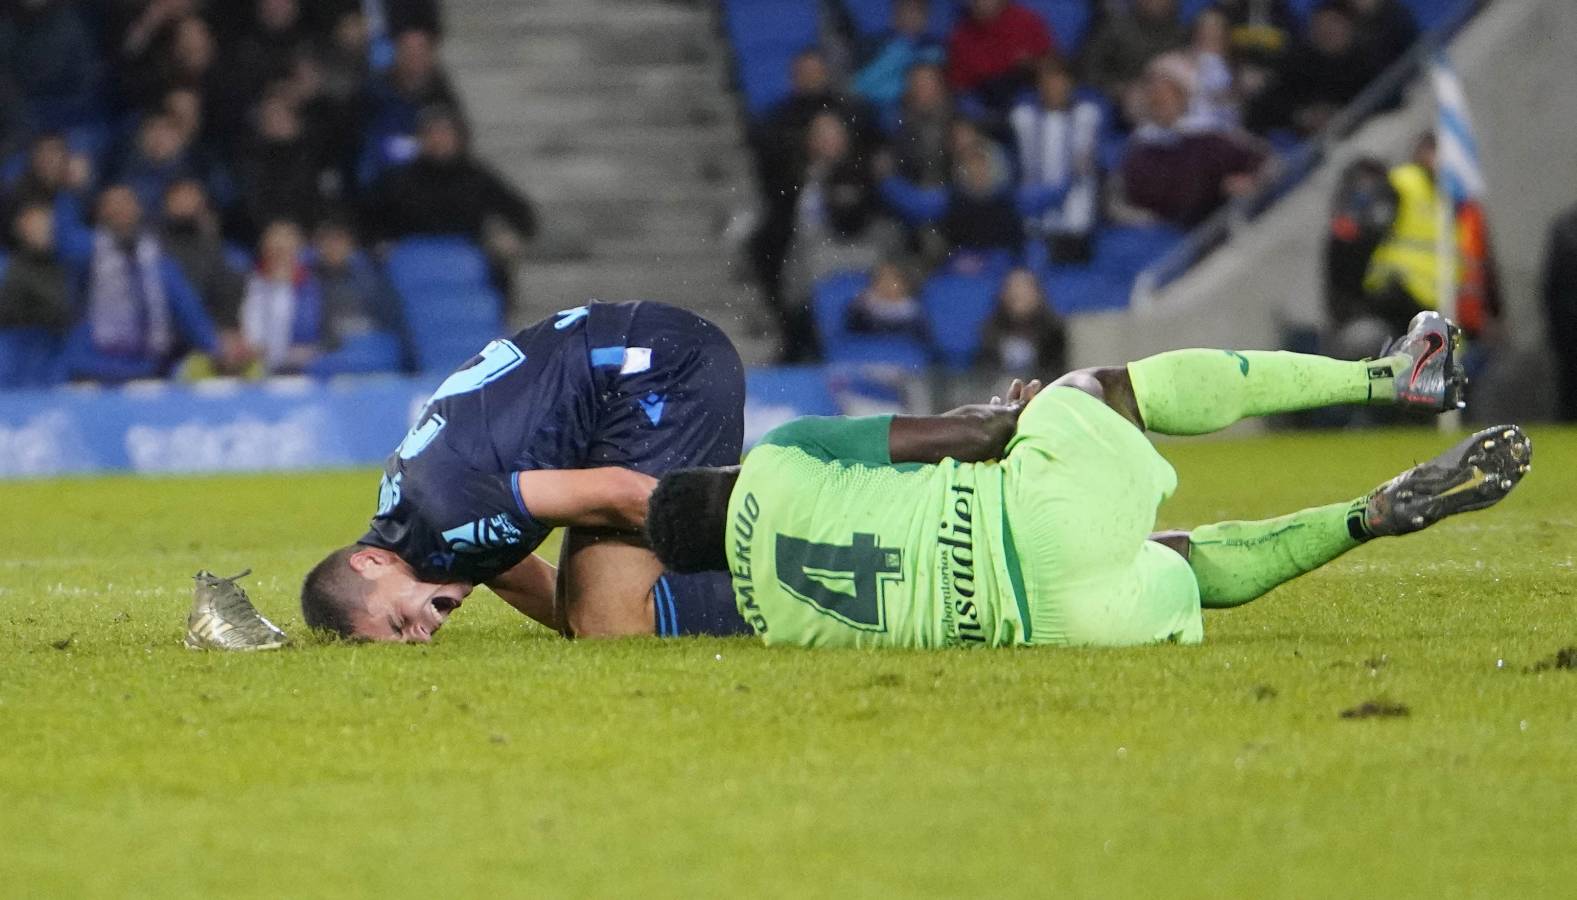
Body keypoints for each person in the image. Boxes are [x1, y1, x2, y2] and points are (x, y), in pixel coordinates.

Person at [646, 313, 1529, 649]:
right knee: (1104, 389)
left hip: (1054, 623)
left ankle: (1365, 517)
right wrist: (1020, 413)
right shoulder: (781, 454)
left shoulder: (770, 620)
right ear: (722, 471)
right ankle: (1387, 379)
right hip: (1021, 510)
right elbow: (964, 434)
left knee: (1177, 560)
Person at [298, 301, 751, 643]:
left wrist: (749, 538)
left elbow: (619, 492)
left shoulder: (445, 513)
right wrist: (581, 615)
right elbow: (509, 572)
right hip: (629, 364)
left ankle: (798, 577)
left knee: (613, 621)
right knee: (594, 615)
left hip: (659, 366)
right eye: (407, 640)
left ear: (370, 562)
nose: (421, 634)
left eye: (399, 622)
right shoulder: (412, 521)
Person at [64, 184, 224, 382]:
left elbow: (187, 308)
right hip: (92, 367)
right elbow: (63, 239)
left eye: (125, 202)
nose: (119, 209)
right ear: (100, 212)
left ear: (138, 209)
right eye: (111, 204)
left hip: (146, 368)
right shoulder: (85, 251)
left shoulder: (157, 260)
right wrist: (71, 191)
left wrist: (215, 347)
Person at [1116, 56, 1266, 228]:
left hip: (1222, 220)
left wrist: (1251, 179)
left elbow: (1259, 160)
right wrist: (1214, 187)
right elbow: (1145, 198)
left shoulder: (1208, 135)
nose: (1160, 101)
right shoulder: (1140, 151)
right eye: (1155, 98)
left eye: (1166, 95)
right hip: (1174, 229)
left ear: (1182, 97)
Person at [1009, 58, 1102, 262]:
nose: (1053, 88)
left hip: (1077, 223)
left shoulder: (1089, 117)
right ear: (1038, 85)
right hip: (1034, 223)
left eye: (1059, 81)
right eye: (1047, 81)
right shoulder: (1022, 119)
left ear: (1070, 84)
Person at [239, 220, 320, 374]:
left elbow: (322, 331)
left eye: (285, 247)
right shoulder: (247, 283)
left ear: (298, 248)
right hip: (252, 368)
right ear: (264, 248)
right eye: (275, 247)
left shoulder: (313, 287)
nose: (280, 251)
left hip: (302, 369)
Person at [945, 0, 1055, 110]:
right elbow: (959, 87)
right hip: (987, 107)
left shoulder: (1026, 21)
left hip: (1030, 99)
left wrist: (1031, 64)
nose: (984, 3)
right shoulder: (960, 37)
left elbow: (1051, 65)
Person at [1079, 0, 1187, 108]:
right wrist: (1118, 88)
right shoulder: (1115, 27)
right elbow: (1089, 68)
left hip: (1169, 101)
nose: (1156, 3)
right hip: (1120, 99)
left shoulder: (1181, 35)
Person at [851, 0, 944, 113]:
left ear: (926, 17)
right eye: (907, 11)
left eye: (917, 12)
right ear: (895, 16)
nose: (912, 17)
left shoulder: (935, 50)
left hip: (922, 110)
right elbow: (858, 86)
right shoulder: (878, 46)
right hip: (876, 109)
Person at [0, 202, 75, 335]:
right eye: (36, 227)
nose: (43, 232)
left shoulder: (66, 264)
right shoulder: (14, 272)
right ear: (21, 230)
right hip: (27, 344)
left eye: (47, 226)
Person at [976, 268, 1066, 377]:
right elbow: (985, 373)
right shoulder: (990, 331)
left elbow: (1056, 371)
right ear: (1003, 295)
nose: (1019, 294)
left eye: (1025, 289)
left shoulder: (1053, 330)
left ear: (1038, 294)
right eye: (1014, 290)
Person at [1540, 203, 1577, 422]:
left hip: (1565, 320)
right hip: (1568, 324)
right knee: (1569, 383)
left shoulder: (1564, 229)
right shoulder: (1565, 229)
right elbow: (1551, 285)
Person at [845, 259, 927, 340]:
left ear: (904, 284)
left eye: (891, 279)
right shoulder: (860, 307)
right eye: (881, 278)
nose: (884, 284)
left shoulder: (915, 312)